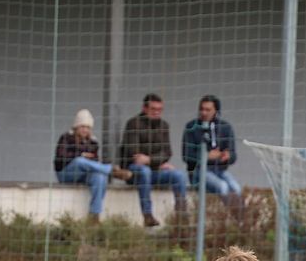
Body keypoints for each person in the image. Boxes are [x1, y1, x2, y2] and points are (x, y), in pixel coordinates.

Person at [119, 93, 189, 227]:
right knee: (144, 171)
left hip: (154, 169)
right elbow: (134, 154)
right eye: (153, 109)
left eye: (159, 110)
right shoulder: (133, 123)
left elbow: (167, 152)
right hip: (133, 171)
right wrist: (157, 161)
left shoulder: (164, 126)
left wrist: (150, 160)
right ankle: (147, 215)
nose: (157, 112)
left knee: (178, 175)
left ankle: (181, 216)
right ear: (145, 108)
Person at [53, 109, 132, 224]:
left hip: (83, 175)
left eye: (88, 127)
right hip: (66, 174)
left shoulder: (93, 142)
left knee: (100, 176)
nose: (85, 130)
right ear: (76, 127)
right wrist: (81, 154)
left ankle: (94, 215)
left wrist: (89, 159)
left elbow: (95, 163)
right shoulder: (66, 138)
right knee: (80, 161)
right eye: (82, 126)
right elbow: (61, 157)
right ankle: (111, 170)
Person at [182, 95, 243, 216]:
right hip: (198, 171)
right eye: (202, 109)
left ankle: (241, 220)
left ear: (216, 111)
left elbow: (233, 155)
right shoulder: (192, 127)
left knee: (236, 187)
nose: (204, 112)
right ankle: (236, 219)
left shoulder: (225, 127)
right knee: (223, 186)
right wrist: (206, 156)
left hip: (219, 169)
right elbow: (186, 155)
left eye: (208, 110)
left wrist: (227, 156)